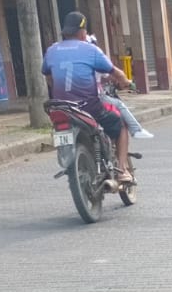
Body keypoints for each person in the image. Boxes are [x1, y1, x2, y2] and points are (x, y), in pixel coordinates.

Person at [43, 11, 133, 181]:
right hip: (88, 107)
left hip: (61, 108)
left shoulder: (52, 50)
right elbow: (115, 73)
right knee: (120, 123)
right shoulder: (91, 49)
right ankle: (122, 171)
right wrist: (126, 82)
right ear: (82, 32)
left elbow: (48, 77)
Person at [86, 37, 154, 140]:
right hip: (94, 97)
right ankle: (136, 130)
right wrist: (126, 82)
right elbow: (110, 74)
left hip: (71, 100)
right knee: (118, 105)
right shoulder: (94, 59)